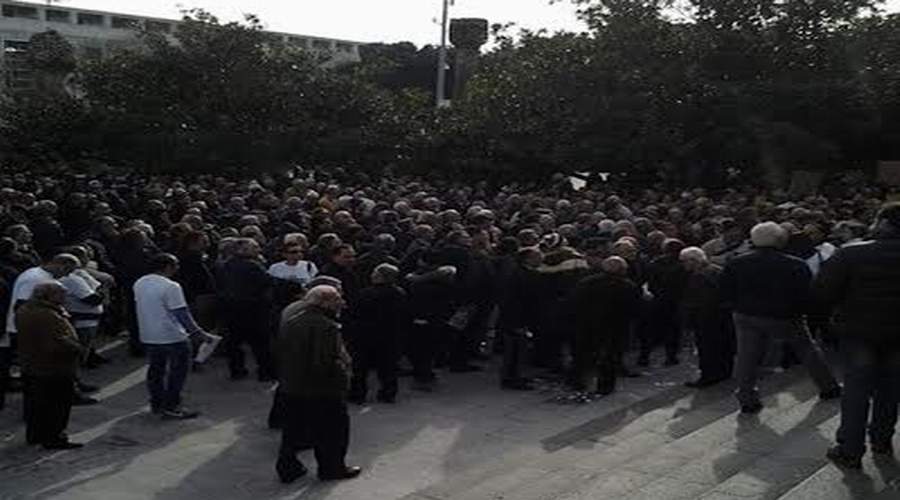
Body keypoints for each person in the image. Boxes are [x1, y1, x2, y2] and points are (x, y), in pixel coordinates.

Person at [720, 222, 841, 414]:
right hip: (785, 316)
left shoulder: (736, 262)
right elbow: (806, 294)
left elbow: (726, 290)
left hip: (746, 315)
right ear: (779, 240)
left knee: (746, 356)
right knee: (807, 350)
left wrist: (737, 307)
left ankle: (746, 398)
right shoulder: (795, 263)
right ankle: (828, 387)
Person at [815, 203, 900, 469]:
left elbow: (823, 292)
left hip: (858, 332)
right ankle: (882, 439)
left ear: (883, 223)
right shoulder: (851, 253)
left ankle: (850, 448)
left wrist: (830, 323)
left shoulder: (851, 253)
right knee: (891, 388)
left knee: (856, 389)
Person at [275, 285, 361, 483]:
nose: (342, 302)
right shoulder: (326, 326)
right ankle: (332, 469)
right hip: (321, 389)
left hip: (292, 384)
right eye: (337, 298)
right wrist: (344, 376)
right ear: (324, 302)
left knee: (293, 430)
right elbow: (325, 362)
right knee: (332, 432)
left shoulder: (293, 320)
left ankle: (288, 468)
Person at [134, 253, 212, 419]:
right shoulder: (171, 286)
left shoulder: (140, 283)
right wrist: (198, 332)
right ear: (168, 267)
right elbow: (181, 313)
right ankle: (171, 405)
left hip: (149, 333)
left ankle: (157, 402)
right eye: (176, 265)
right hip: (172, 335)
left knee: (155, 370)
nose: (178, 268)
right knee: (178, 372)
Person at [16, 282, 86, 449]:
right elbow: (57, 342)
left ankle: (36, 435)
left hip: (32, 364)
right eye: (60, 294)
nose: (65, 297)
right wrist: (77, 348)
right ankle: (54, 437)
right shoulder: (48, 316)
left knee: (36, 404)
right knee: (57, 405)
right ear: (48, 296)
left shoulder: (25, 310)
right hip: (53, 367)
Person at [570, 257, 642, 395]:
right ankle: (605, 386)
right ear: (622, 270)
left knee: (583, 353)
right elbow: (634, 307)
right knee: (610, 356)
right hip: (614, 325)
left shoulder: (587, 282)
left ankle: (577, 381)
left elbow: (574, 301)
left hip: (587, 323)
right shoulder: (626, 285)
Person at [349, 264, 408, 404]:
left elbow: (355, 313)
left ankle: (358, 393)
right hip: (390, 335)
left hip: (365, 334)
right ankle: (388, 393)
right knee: (388, 366)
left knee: (361, 367)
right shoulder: (399, 293)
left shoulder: (365, 293)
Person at [218, 238, 276, 381]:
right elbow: (268, 282)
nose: (258, 250)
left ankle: (237, 370)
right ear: (242, 250)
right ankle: (265, 372)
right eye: (254, 247)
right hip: (253, 309)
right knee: (260, 343)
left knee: (234, 342)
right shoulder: (252, 266)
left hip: (231, 308)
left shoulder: (226, 265)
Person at [679, 247, 734, 388]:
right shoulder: (716, 270)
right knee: (722, 346)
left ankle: (708, 376)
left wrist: (691, 320)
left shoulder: (699, 277)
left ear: (693, 261)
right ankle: (724, 371)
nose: (683, 265)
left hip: (706, 318)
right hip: (722, 316)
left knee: (707, 349)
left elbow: (701, 301)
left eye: (684, 261)